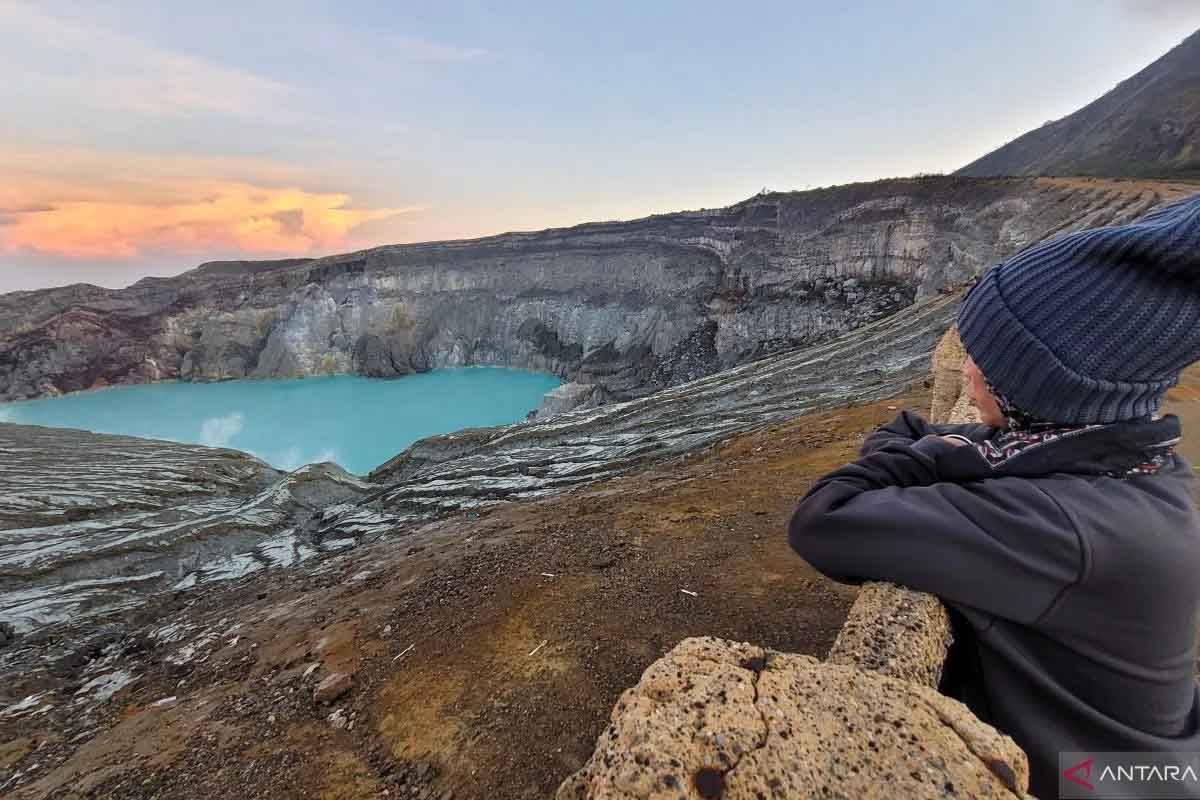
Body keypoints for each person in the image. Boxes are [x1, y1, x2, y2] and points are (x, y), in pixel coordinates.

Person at [789, 194, 1200, 798]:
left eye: (985, 358)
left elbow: (824, 519)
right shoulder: (1137, 467)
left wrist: (939, 453)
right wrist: (952, 446)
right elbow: (907, 428)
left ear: (1039, 384)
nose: (966, 369)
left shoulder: (1055, 525)